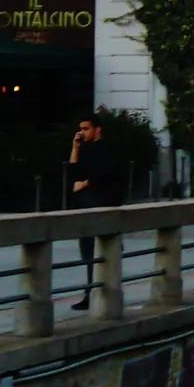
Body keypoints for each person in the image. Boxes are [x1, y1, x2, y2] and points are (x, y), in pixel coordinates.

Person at [65, 115, 118, 311]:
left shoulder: (105, 149)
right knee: (88, 252)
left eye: (87, 129)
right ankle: (91, 291)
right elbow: (73, 172)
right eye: (81, 129)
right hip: (86, 206)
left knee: (99, 251)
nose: (82, 132)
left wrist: (84, 183)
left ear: (98, 129)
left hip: (101, 204)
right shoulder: (85, 149)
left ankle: (98, 291)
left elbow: (105, 173)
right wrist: (75, 148)